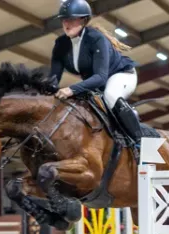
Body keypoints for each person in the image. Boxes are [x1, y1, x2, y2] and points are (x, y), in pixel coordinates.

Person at [50, 0, 141, 146]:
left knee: (110, 96)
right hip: (95, 81)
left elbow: (100, 77)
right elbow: (52, 79)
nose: (67, 23)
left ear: (84, 19)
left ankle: (139, 143)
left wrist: (71, 89)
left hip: (121, 75)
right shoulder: (60, 44)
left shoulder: (96, 38)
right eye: (64, 19)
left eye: (72, 19)